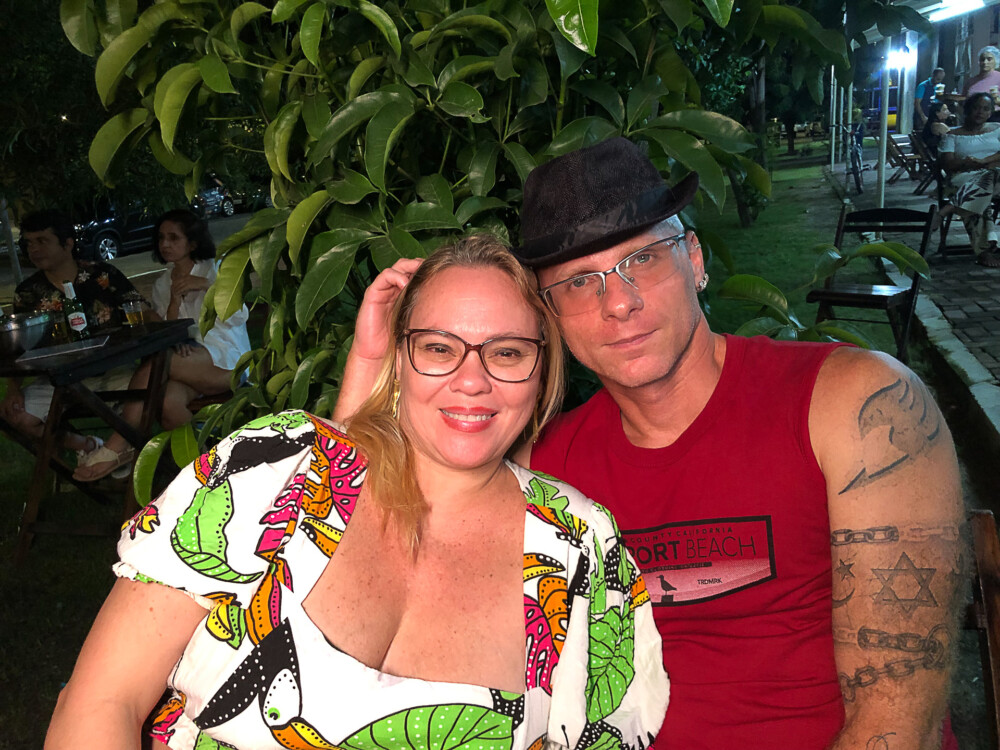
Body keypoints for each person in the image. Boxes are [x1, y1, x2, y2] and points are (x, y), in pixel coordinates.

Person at [335, 138, 965, 748]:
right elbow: (353, 536)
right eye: (578, 282)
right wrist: (369, 364)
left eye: (642, 260)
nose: (618, 303)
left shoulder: (858, 405)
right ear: (549, 318)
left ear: (694, 259)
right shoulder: (547, 467)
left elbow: (896, 722)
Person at [46, 235, 669, 750]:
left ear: (543, 370)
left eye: (506, 353)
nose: (472, 380)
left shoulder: (581, 546)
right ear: (398, 356)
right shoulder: (271, 468)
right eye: (439, 348)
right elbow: (102, 703)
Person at [73, 209, 252, 481]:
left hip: (225, 361)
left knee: (157, 363)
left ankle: (119, 444)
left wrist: (205, 285)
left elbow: (240, 315)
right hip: (186, 358)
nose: (165, 244)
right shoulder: (162, 283)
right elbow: (170, 329)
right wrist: (174, 304)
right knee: (167, 403)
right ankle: (210, 473)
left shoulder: (216, 269)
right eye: (161, 238)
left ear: (192, 243)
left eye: (173, 238)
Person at [0, 209, 145, 456]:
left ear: (67, 244)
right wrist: (13, 388)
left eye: (42, 241)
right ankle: (88, 447)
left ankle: (122, 453)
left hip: (114, 368)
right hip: (60, 380)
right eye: (29, 243)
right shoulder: (28, 292)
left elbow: (141, 311)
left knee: (153, 393)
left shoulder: (103, 275)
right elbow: (21, 349)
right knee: (13, 416)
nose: (34, 249)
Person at [938, 92, 1000, 267]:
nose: (980, 112)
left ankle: (950, 208)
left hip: (994, 176)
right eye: (976, 108)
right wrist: (966, 162)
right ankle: (985, 251)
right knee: (983, 189)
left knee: (989, 177)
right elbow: (948, 164)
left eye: (985, 109)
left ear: (990, 112)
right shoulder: (952, 135)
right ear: (967, 110)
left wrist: (984, 161)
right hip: (964, 177)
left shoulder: (997, 129)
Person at [963, 46, 1000, 120]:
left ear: (996, 61)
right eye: (982, 59)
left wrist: (997, 101)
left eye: (989, 59)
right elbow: (963, 100)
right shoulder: (971, 81)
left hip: (994, 118)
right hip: (973, 118)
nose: (985, 62)